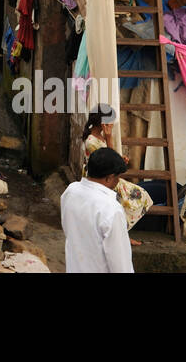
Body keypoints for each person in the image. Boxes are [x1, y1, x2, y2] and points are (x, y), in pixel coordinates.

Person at [82, 104, 150, 242]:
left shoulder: (98, 137)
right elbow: (108, 163)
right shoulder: (91, 141)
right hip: (101, 180)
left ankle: (122, 234)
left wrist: (120, 159)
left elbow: (110, 159)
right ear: (102, 122)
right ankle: (121, 235)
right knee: (136, 196)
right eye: (110, 121)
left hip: (107, 177)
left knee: (139, 196)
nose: (112, 124)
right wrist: (109, 138)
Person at [61, 147, 135, 273]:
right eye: (118, 177)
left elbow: (68, 229)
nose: (118, 182)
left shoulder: (71, 191)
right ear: (109, 178)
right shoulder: (111, 209)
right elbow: (121, 264)